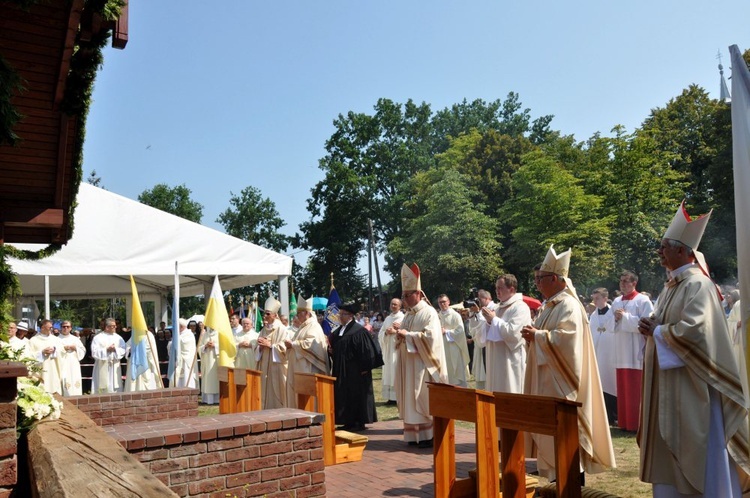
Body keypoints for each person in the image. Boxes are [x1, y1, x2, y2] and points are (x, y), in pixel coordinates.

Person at [637, 202, 750, 497]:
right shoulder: (671, 286)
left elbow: (699, 332)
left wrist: (659, 331)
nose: (660, 252)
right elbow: (671, 326)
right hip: (671, 384)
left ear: (683, 250)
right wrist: (653, 325)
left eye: (665, 247)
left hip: (693, 388)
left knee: (700, 444)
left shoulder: (698, 284)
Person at [521, 246, 615, 482]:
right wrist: (532, 337)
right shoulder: (551, 305)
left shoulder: (568, 305)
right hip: (548, 382)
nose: (537, 284)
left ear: (554, 278)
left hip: (563, 385)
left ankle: (571, 487)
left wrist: (538, 336)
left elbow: (568, 341)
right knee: (553, 442)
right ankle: (557, 485)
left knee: (565, 443)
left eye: (540, 279)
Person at [389, 263, 448, 448]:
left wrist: (408, 335)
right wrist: (399, 335)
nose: (405, 299)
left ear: (419, 294)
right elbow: (404, 337)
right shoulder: (408, 315)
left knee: (421, 397)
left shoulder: (429, 312)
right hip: (409, 364)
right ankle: (414, 436)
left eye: (408, 295)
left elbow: (432, 338)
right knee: (410, 397)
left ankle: (428, 435)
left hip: (423, 364)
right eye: (404, 296)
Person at [611, 270, 653, 431]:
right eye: (621, 281)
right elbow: (609, 324)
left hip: (635, 349)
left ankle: (637, 424)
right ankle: (624, 422)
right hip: (621, 350)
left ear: (634, 283)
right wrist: (615, 318)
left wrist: (625, 317)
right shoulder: (616, 301)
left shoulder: (643, 300)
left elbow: (647, 322)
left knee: (635, 388)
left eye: (626, 281)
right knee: (622, 387)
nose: (622, 283)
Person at [329, 302, 382, 431]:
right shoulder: (338, 332)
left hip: (356, 371)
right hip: (342, 371)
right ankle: (347, 421)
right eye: (339, 314)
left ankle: (359, 421)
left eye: (343, 314)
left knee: (356, 394)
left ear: (350, 316)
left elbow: (367, 351)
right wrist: (331, 351)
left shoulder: (359, 331)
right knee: (343, 394)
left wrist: (365, 368)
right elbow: (337, 348)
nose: (340, 316)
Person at [477, 274, 530, 394]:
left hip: (510, 362)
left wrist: (494, 320)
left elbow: (514, 334)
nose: (497, 291)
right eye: (496, 288)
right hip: (494, 360)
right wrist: (488, 323)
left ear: (511, 289)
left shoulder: (520, 308)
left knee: (510, 393)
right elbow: (482, 338)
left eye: (500, 288)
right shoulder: (496, 308)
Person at [284, 294, 330, 408]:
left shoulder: (313, 326)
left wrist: (293, 344)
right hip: (299, 365)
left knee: (308, 395)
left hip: (309, 365)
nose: (297, 315)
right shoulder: (303, 326)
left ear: (307, 313)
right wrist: (290, 345)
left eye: (299, 313)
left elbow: (311, 344)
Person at [589, 287, 617, 425]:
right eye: (593, 298)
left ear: (605, 299)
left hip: (611, 352)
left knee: (611, 382)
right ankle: (606, 415)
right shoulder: (593, 316)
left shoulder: (613, 313)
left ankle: (615, 413)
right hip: (598, 352)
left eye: (597, 298)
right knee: (600, 383)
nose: (594, 301)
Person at [256, 296, 289, 409]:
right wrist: (259, 347)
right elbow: (257, 349)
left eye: (268, 314)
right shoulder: (263, 330)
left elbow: (285, 348)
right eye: (265, 313)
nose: (265, 316)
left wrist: (271, 346)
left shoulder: (282, 329)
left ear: (275, 315)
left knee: (278, 392)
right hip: (265, 366)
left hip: (277, 367)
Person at [436, 294, 470, 387]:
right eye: (440, 302)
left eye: (444, 302)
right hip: (442, 347)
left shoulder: (455, 315)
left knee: (456, 371)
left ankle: (460, 390)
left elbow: (460, 330)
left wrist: (446, 332)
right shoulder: (437, 316)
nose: (442, 304)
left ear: (448, 302)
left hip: (454, 347)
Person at [378, 298, 404, 404]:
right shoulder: (388, 318)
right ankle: (390, 397)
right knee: (388, 371)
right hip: (388, 349)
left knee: (396, 371)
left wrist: (396, 331)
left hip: (397, 349)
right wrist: (386, 333)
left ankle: (398, 397)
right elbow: (381, 333)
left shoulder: (403, 317)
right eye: (392, 304)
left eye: (395, 304)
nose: (393, 306)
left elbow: (408, 331)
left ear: (400, 306)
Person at [91, 318, 127, 393]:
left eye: (115, 326)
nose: (115, 327)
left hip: (114, 364)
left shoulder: (118, 338)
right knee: (102, 387)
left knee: (115, 388)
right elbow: (94, 352)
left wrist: (115, 349)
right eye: (113, 326)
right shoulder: (98, 338)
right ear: (107, 327)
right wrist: (106, 350)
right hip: (102, 366)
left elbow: (123, 349)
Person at [467, 290, 493, 390]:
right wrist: (473, 314)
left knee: (489, 380)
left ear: (487, 298)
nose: (477, 301)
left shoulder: (494, 308)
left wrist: (478, 313)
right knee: (480, 383)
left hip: (488, 347)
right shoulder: (480, 310)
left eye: (479, 299)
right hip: (479, 347)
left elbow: (485, 327)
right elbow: (473, 330)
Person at [28, 319, 62, 394]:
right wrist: (41, 353)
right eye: (49, 327)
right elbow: (29, 355)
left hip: (52, 370)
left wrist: (54, 350)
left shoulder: (56, 339)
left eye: (51, 327)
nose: (51, 329)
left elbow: (62, 352)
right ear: (42, 327)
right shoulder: (33, 340)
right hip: (40, 371)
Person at [123, 325, 161, 392]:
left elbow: (150, 350)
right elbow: (127, 345)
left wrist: (137, 350)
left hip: (145, 364)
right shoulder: (134, 334)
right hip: (133, 364)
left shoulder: (149, 335)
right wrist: (129, 349)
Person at [58, 320, 85, 396]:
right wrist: (63, 349)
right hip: (63, 364)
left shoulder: (75, 339)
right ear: (61, 328)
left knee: (76, 383)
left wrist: (76, 348)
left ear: (71, 328)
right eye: (64, 326)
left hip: (74, 364)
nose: (65, 328)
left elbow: (83, 350)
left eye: (68, 327)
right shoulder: (57, 339)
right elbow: (55, 352)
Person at [169, 318, 198, 388]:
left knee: (186, 379)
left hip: (186, 363)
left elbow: (184, 345)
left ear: (181, 326)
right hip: (178, 361)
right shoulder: (179, 335)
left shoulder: (189, 334)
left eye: (177, 326)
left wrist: (174, 341)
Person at [197, 322, 219, 404]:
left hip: (215, 361)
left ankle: (217, 399)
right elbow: (199, 348)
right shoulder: (204, 334)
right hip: (206, 360)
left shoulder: (220, 334)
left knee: (216, 379)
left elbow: (224, 347)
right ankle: (207, 400)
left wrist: (215, 346)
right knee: (207, 379)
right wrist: (205, 346)